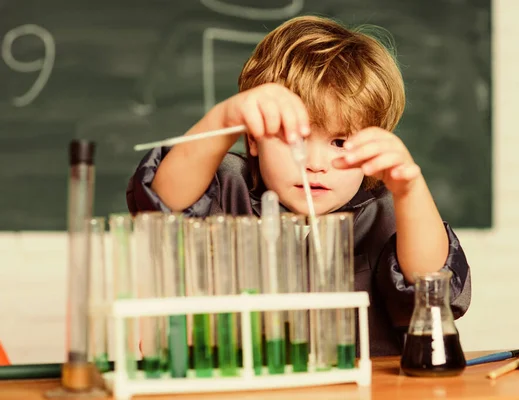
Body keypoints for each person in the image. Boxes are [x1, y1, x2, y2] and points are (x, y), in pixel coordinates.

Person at [126, 15, 471, 356]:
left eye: (339, 142)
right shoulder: (225, 184)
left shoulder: (386, 208)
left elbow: (433, 287)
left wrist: (410, 189)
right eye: (297, 140)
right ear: (254, 139)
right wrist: (225, 118)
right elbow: (163, 201)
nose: (315, 164)